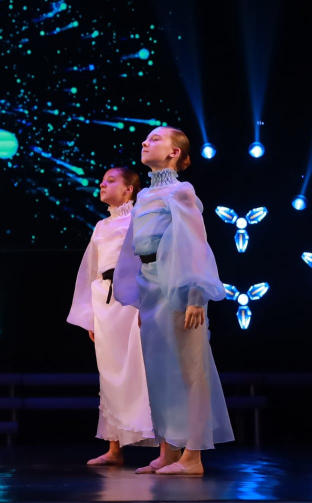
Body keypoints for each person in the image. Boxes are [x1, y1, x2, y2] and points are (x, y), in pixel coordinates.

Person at [114, 127, 234, 476]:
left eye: (155, 139)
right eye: (145, 138)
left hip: (179, 287)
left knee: (189, 370)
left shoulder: (181, 191)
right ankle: (169, 450)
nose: (145, 142)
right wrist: (138, 298)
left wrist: (196, 294)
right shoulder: (145, 195)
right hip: (151, 286)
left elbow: (194, 243)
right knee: (159, 370)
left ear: (174, 153)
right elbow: (135, 248)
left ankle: (193, 457)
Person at [68, 167, 155, 465]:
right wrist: (89, 315)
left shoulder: (140, 219)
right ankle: (114, 447)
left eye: (111, 180)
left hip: (132, 301)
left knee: (140, 370)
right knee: (109, 372)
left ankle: (163, 444)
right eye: (103, 181)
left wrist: (146, 305)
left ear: (129, 189)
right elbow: (91, 271)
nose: (102, 184)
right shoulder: (101, 226)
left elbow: (147, 265)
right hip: (105, 301)